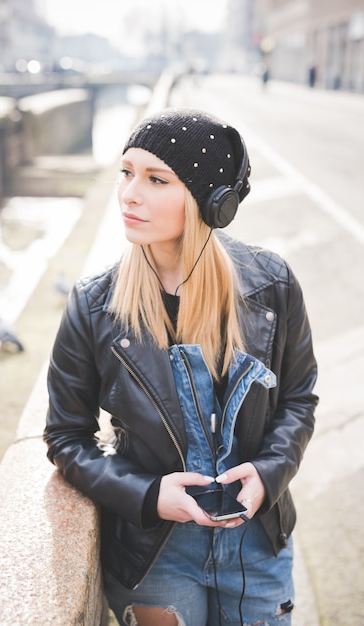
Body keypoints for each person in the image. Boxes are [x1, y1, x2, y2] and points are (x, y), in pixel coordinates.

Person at [44, 108, 318, 626]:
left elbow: (299, 398)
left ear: (212, 203)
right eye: (126, 172)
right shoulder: (93, 305)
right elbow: (65, 436)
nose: (128, 193)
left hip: (257, 547)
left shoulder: (272, 286)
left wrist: (269, 472)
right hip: (154, 554)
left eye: (155, 179)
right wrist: (149, 494)